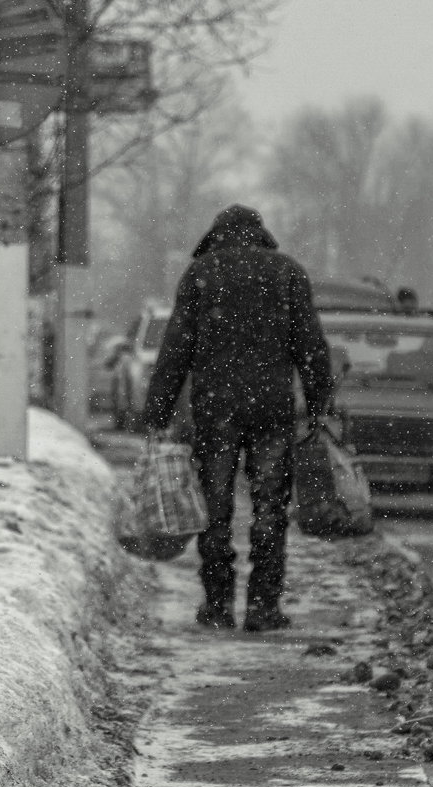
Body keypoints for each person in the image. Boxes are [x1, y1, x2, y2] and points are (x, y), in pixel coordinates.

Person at [142, 204, 334, 632]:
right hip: (272, 409)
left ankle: (218, 605)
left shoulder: (201, 275)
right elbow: (311, 345)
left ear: (216, 235)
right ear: (260, 234)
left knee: (214, 508)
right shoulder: (287, 273)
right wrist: (320, 402)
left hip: (216, 411)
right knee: (270, 507)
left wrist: (157, 410)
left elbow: (176, 349)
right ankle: (264, 606)